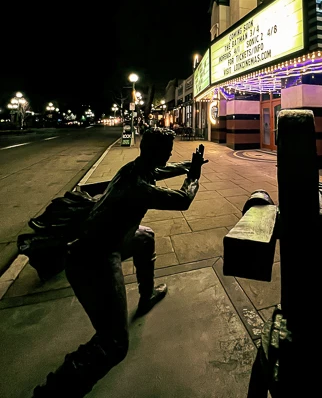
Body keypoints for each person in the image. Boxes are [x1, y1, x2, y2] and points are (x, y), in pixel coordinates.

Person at [32, 128, 207, 397]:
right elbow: (183, 200)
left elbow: (164, 170)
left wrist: (188, 165)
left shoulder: (137, 168)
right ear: (152, 151)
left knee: (145, 236)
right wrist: (194, 175)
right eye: (166, 149)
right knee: (113, 343)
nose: (171, 153)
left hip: (112, 240)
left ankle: (146, 295)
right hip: (94, 258)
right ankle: (52, 391)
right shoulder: (136, 186)